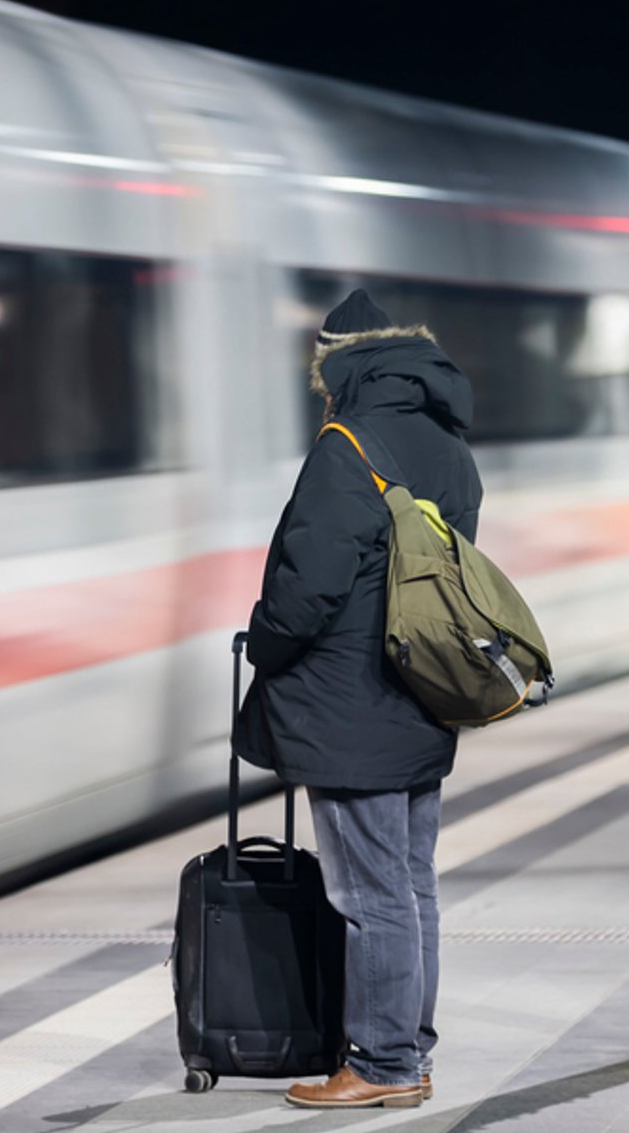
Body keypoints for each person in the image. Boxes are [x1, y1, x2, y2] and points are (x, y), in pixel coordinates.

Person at [236, 289, 481, 1109]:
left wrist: (263, 644)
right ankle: (408, 1047)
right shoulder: (451, 445)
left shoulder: (348, 445)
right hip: (421, 690)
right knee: (412, 885)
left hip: (349, 706)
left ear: (337, 364)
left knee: (371, 894)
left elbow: (307, 590)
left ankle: (382, 1066)